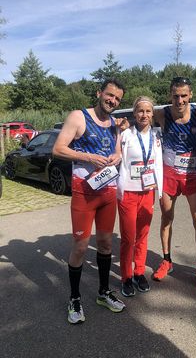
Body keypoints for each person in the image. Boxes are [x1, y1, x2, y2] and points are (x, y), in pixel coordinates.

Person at [52, 78, 126, 324]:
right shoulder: (78, 117)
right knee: (81, 247)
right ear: (99, 93)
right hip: (84, 194)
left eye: (117, 98)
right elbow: (58, 148)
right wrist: (89, 157)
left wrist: (116, 156)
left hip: (107, 193)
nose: (112, 100)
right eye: (109, 95)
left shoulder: (115, 123)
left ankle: (103, 293)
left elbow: (117, 151)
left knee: (105, 244)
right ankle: (74, 298)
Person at [152, 76, 196, 293]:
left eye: (183, 96)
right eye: (175, 96)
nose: (179, 100)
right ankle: (167, 260)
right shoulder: (161, 114)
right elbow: (139, 121)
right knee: (166, 218)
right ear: (170, 95)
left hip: (192, 174)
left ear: (190, 95)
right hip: (168, 174)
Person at [117, 96, 163, 297]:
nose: (144, 115)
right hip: (128, 192)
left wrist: (160, 191)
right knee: (128, 237)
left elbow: (159, 165)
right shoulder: (126, 134)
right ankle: (126, 277)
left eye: (148, 111)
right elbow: (118, 157)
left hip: (148, 192)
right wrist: (119, 129)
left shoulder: (156, 137)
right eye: (140, 111)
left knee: (143, 235)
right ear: (134, 113)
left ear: (153, 114)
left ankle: (139, 272)